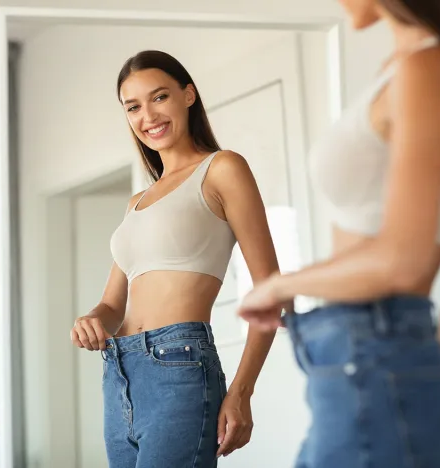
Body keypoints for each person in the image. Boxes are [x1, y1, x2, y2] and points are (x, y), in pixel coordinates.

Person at [237, 1, 440, 467]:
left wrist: (281, 284)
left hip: (370, 354)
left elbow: (402, 261)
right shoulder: (422, 70)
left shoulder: (425, 70)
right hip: (371, 363)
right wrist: (422, 368)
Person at [69, 50, 281, 467]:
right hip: (120, 370)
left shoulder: (222, 169)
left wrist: (241, 391)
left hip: (179, 363)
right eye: (133, 107)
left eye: (159, 97)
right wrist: (90, 319)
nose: (148, 115)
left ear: (188, 95)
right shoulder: (137, 202)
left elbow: (271, 288)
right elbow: (113, 306)